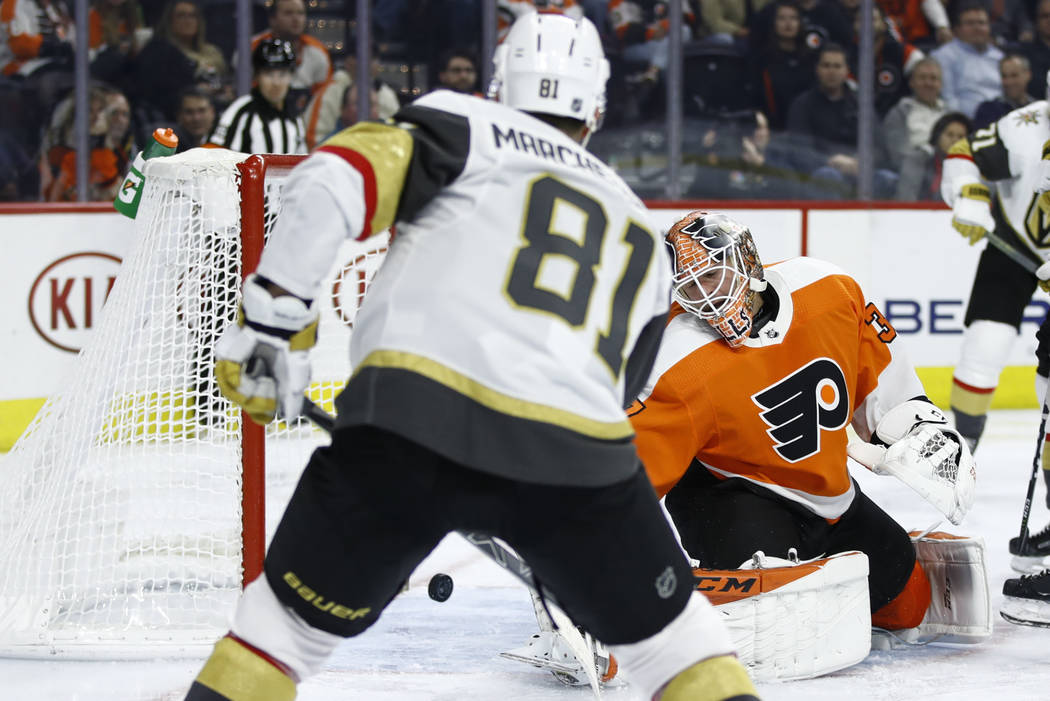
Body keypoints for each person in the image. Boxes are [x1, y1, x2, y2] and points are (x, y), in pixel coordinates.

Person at [183, 14, 758, 701]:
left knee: (272, 642)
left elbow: (332, 179)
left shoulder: (457, 125)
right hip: (578, 456)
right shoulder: (637, 223)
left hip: (408, 424)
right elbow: (620, 385)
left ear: (495, 83)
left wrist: (274, 322)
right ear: (597, 111)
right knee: (686, 654)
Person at [628, 210, 985, 649]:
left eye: (715, 276)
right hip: (731, 493)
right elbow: (631, 472)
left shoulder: (827, 288)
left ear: (748, 260)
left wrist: (919, 429)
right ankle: (688, 605)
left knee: (906, 603)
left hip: (827, 492)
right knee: (779, 621)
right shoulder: (676, 357)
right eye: (691, 286)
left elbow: (882, 380)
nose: (708, 297)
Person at [939, 94, 1050, 455]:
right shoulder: (1024, 128)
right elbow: (963, 152)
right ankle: (964, 447)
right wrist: (969, 194)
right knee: (985, 346)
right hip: (1013, 247)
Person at [785, 42, 898, 198]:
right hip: (822, 171)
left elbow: (880, 147)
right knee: (829, 176)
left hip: (858, 171)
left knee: (888, 179)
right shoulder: (802, 104)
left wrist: (859, 163)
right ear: (817, 69)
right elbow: (799, 152)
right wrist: (831, 161)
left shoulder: (861, 104)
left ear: (846, 71)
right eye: (826, 65)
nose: (832, 71)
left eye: (837, 66)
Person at [132, 0, 230, 121]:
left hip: (219, 110)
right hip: (188, 115)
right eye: (181, 16)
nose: (188, 20)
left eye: (192, 16)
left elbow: (226, 79)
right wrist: (197, 89)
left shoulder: (212, 52)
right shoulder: (162, 52)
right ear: (170, 20)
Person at [207, 38, 305, 155]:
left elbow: (301, 163)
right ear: (257, 76)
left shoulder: (294, 117)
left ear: (291, 76)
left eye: (282, 74)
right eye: (268, 74)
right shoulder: (241, 111)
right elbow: (211, 155)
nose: (276, 83)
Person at [302, 53, 399, 151]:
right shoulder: (327, 149)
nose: (365, 110)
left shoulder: (391, 145)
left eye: (372, 105)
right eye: (358, 104)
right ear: (343, 109)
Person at [250, 0, 332, 116]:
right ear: (272, 19)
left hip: (305, 120)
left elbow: (323, 103)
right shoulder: (252, 49)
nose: (296, 19)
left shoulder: (318, 53)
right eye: (288, 13)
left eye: (300, 13)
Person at [929, 1, 1003, 119]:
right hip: (965, 122)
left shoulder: (999, 57)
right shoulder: (944, 56)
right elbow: (947, 98)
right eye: (970, 23)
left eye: (982, 23)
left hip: (1001, 119)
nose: (977, 28)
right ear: (957, 29)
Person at [881, 56, 947, 172]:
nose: (928, 83)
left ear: (941, 84)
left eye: (933, 78)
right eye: (922, 78)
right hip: (912, 172)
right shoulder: (899, 113)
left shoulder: (951, 115)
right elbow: (897, 156)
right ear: (912, 82)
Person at [894, 111, 971, 200]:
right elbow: (905, 199)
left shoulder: (973, 169)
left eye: (961, 137)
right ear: (937, 136)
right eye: (950, 135)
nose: (955, 141)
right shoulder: (917, 162)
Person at [972, 53, 1036, 129]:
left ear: (1028, 75)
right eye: (1004, 76)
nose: (1009, 82)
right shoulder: (988, 110)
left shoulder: (1039, 109)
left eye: (1014, 75)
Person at [173, 86, 216, 151]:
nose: (196, 118)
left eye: (202, 111)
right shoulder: (171, 149)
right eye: (189, 112)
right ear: (179, 116)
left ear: (212, 112)